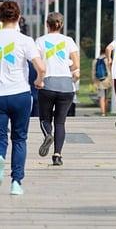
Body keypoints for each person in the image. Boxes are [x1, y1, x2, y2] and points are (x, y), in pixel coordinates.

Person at [0, 1, 45, 196]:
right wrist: (39, 81)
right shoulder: (25, 40)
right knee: (19, 138)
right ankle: (16, 182)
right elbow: (41, 67)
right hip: (20, 94)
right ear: (19, 17)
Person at [35, 12, 80, 166]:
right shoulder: (69, 41)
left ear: (47, 24)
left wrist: (39, 79)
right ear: (61, 24)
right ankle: (57, 155)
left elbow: (38, 64)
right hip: (67, 85)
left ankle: (48, 134)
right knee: (60, 122)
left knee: (44, 118)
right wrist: (67, 68)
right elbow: (76, 64)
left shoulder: (40, 41)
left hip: (47, 83)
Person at [92, 47, 112, 117]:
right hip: (107, 80)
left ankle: (102, 112)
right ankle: (105, 111)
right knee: (106, 97)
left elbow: (93, 72)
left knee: (101, 97)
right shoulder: (107, 60)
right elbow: (110, 70)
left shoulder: (95, 60)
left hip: (99, 81)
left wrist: (94, 81)